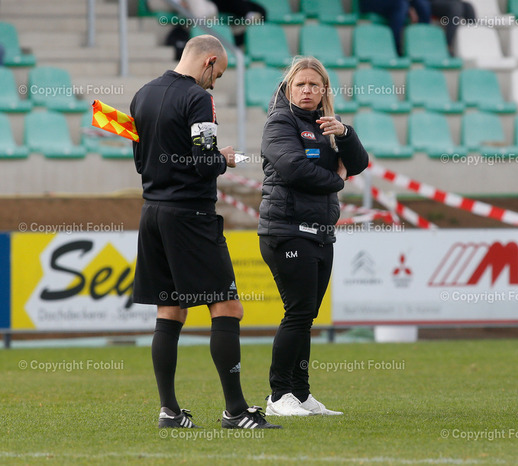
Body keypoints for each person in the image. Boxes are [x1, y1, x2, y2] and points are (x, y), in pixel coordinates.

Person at [130, 34, 280, 429]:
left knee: (170, 310)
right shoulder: (198, 98)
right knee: (228, 307)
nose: (214, 84)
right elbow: (203, 162)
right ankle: (236, 411)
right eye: (218, 75)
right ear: (209, 61)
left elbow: (141, 162)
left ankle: (169, 411)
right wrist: (223, 158)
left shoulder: (143, 95)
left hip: (152, 213)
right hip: (190, 215)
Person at [259, 56, 369, 416]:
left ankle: (301, 393)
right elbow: (294, 169)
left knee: (306, 316)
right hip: (286, 231)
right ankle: (279, 396)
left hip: (320, 233)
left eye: (313, 85)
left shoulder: (328, 125)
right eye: (300, 84)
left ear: (324, 90)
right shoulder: (279, 121)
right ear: (289, 88)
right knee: (298, 313)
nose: (307, 90)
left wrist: (346, 134)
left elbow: (359, 163)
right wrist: (337, 180)